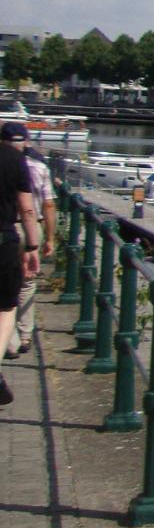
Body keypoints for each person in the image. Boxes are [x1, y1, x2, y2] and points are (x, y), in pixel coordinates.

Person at [0, 125, 43, 408]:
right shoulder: (15, 160)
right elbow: (27, 208)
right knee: (6, 307)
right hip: (3, 241)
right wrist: (32, 246)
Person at [4, 124, 56, 358]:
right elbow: (47, 205)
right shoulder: (38, 167)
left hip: (9, 226)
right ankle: (24, 334)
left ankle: (11, 339)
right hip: (29, 228)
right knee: (25, 283)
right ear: (26, 141)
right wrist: (47, 239)